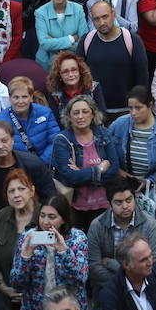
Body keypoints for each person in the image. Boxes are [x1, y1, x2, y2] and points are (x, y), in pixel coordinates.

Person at [11, 194, 91, 310]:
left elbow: (81, 279)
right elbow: (17, 283)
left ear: (64, 219)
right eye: (42, 216)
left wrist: (63, 251)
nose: (45, 222)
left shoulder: (77, 238)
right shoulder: (28, 237)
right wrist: (26, 256)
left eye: (52, 217)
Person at [52, 94, 122, 229]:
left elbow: (113, 170)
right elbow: (69, 176)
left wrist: (82, 174)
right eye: (75, 112)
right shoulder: (62, 140)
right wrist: (99, 170)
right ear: (69, 116)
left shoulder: (104, 134)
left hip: (104, 204)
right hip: (75, 206)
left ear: (93, 114)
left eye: (85, 111)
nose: (80, 116)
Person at [85, 176, 156, 296]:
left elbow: (152, 263)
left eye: (129, 200)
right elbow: (93, 266)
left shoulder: (150, 224)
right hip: (107, 294)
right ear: (110, 204)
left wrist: (111, 264)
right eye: (118, 202)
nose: (125, 206)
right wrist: (127, 281)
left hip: (141, 293)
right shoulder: (97, 226)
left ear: (135, 199)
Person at [0, 169, 40, 310]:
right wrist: (3, 287)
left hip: (40, 302)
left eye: (21, 189)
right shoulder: (2, 216)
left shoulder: (44, 216)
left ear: (31, 191)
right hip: (7, 299)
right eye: (11, 191)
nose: (16, 195)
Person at [0, 75, 62, 163]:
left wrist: (40, 164)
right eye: (16, 97)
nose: (20, 101)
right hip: (14, 171)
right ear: (10, 98)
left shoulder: (45, 113)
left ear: (31, 97)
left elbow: (55, 141)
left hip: (43, 166)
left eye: (24, 97)